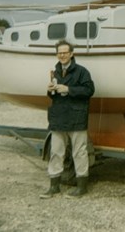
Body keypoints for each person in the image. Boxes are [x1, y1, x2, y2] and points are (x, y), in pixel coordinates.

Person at [40, 40, 95, 199]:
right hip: (58, 118)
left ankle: (81, 187)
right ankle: (54, 187)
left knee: (79, 152)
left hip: (77, 117)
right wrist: (50, 91)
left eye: (65, 52)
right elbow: (54, 96)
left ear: (71, 54)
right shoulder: (55, 71)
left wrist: (68, 89)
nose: (62, 55)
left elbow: (89, 90)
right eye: (59, 52)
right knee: (56, 152)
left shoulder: (82, 71)